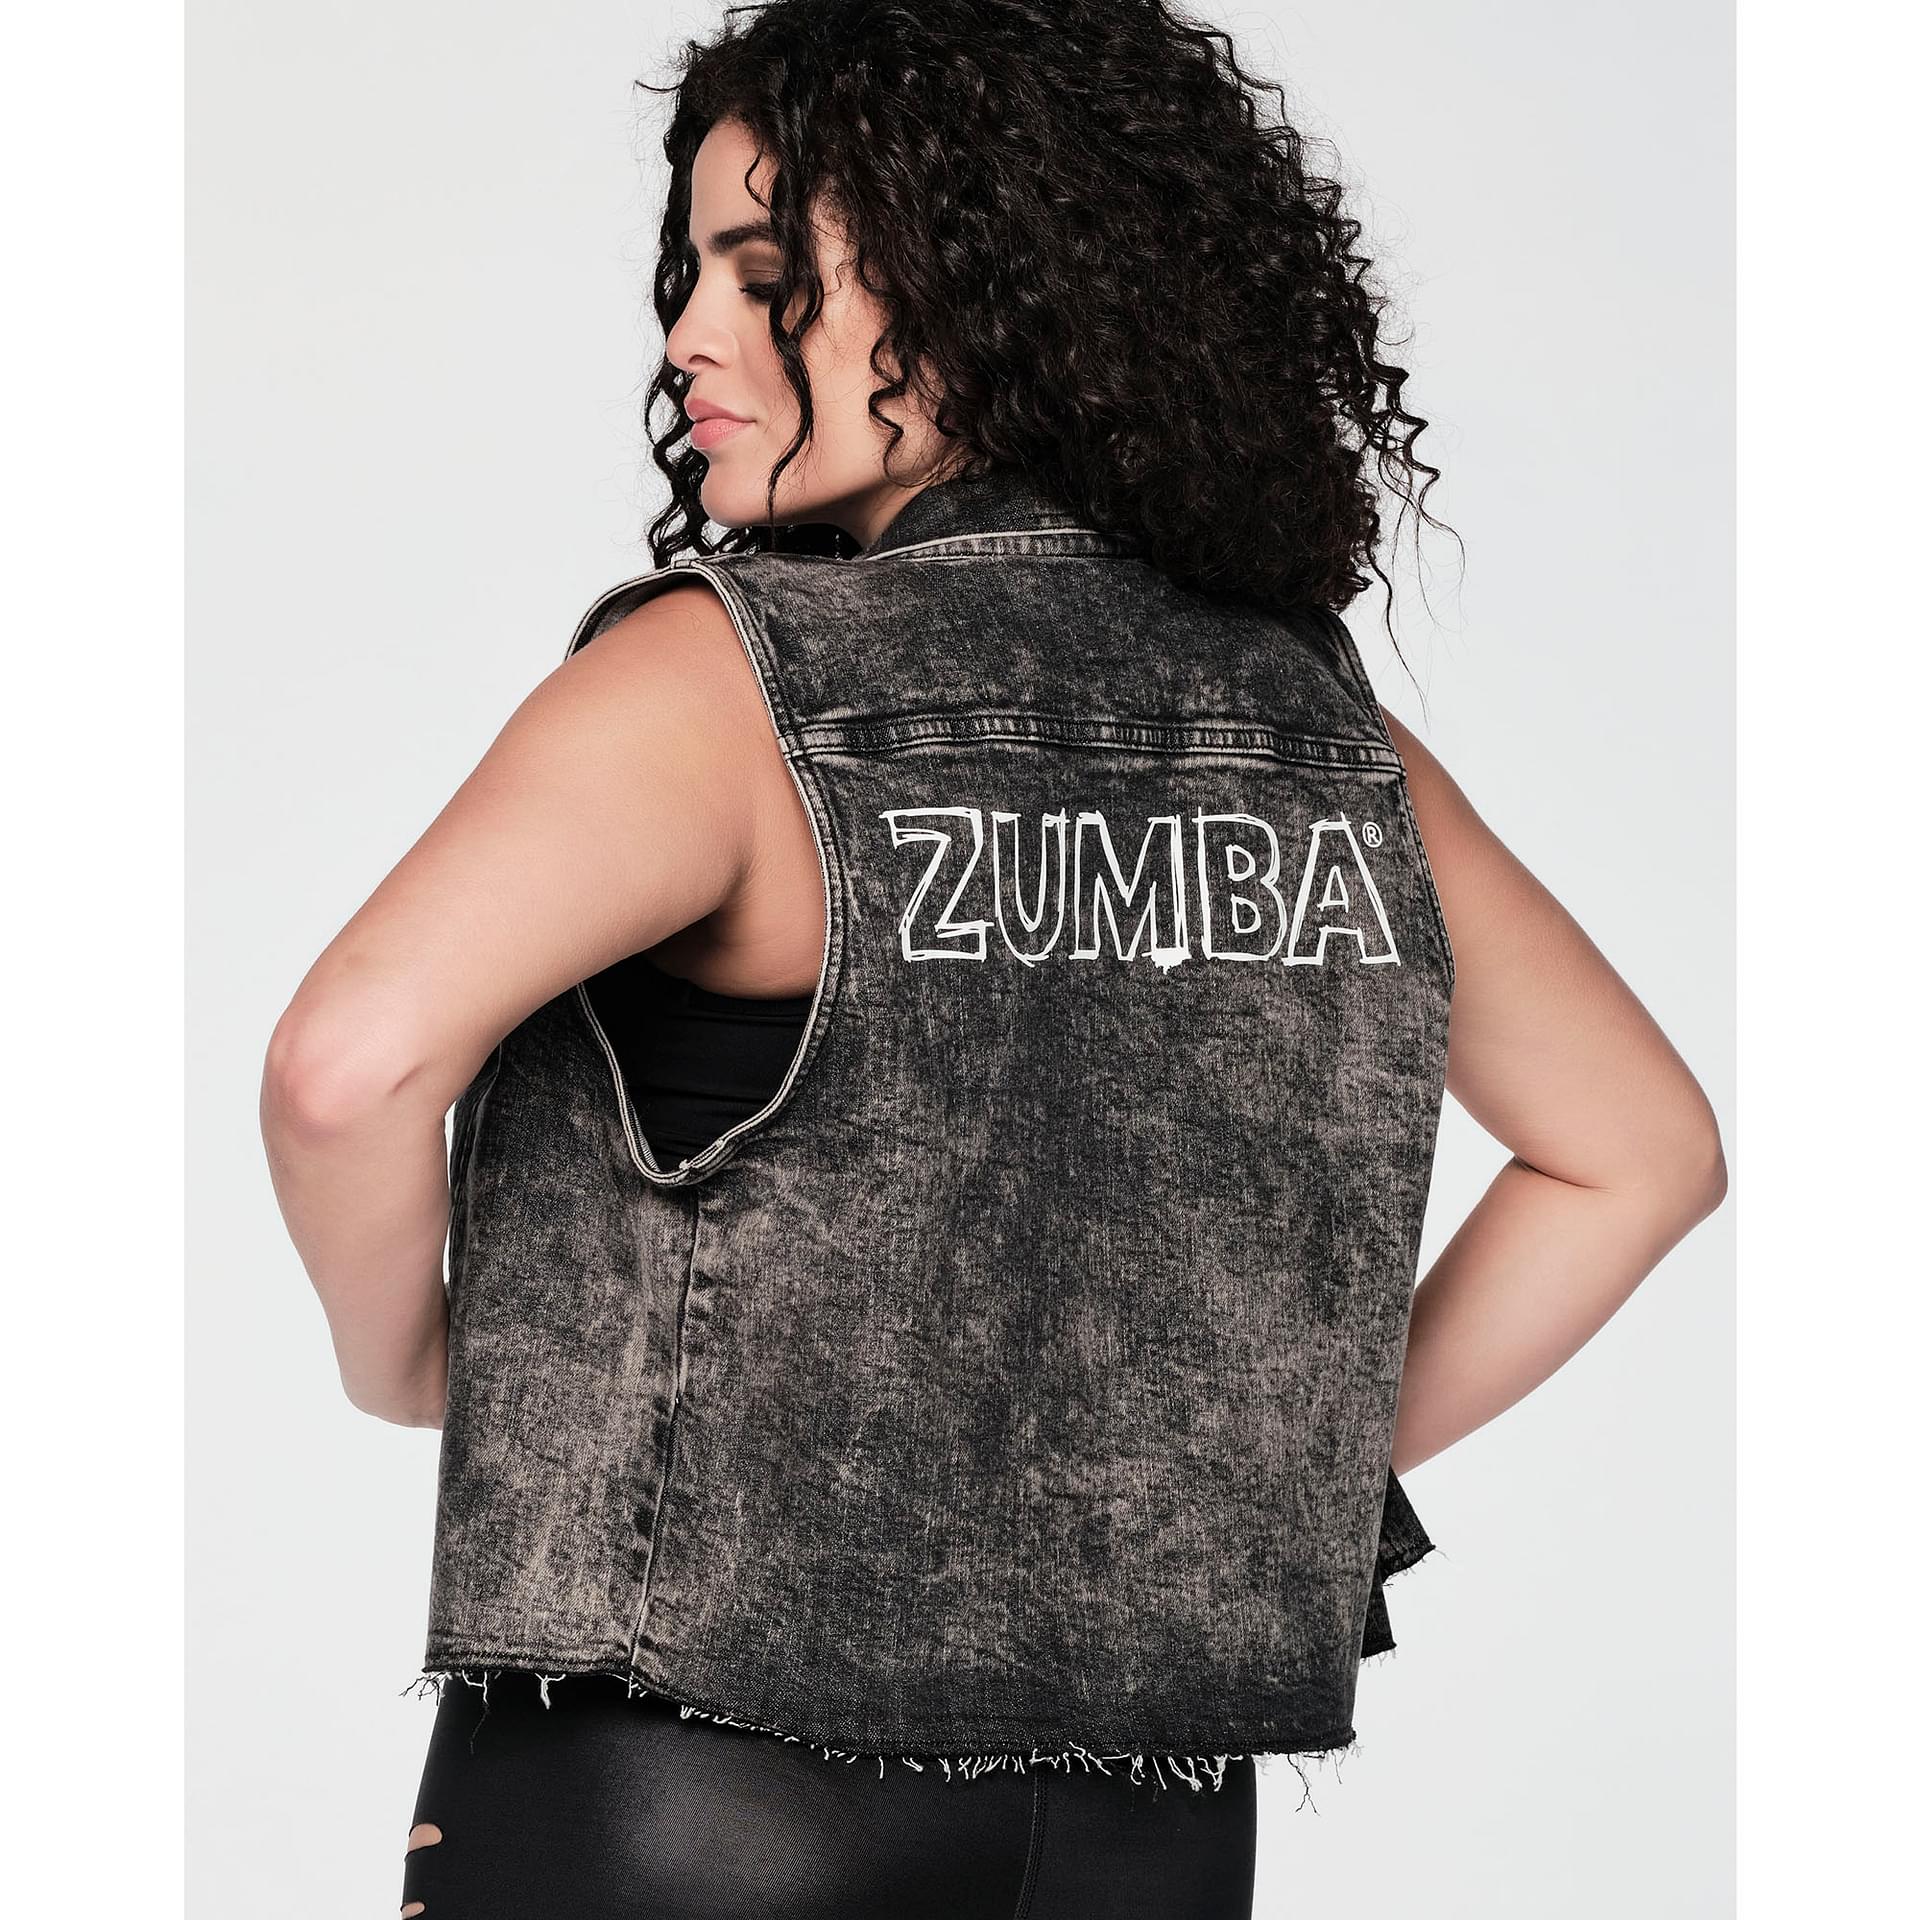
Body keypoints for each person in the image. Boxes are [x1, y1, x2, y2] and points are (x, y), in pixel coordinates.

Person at [258, 4, 1726, 1915]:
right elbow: (1641, 1151)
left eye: (764, 274)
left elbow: (347, 1067)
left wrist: (409, 1364)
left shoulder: (722, 685)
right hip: (1139, 1826)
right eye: (687, 271)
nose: (688, 332)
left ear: (980, 290)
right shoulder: (1311, 728)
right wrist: (1253, 1469)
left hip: (684, 1772)